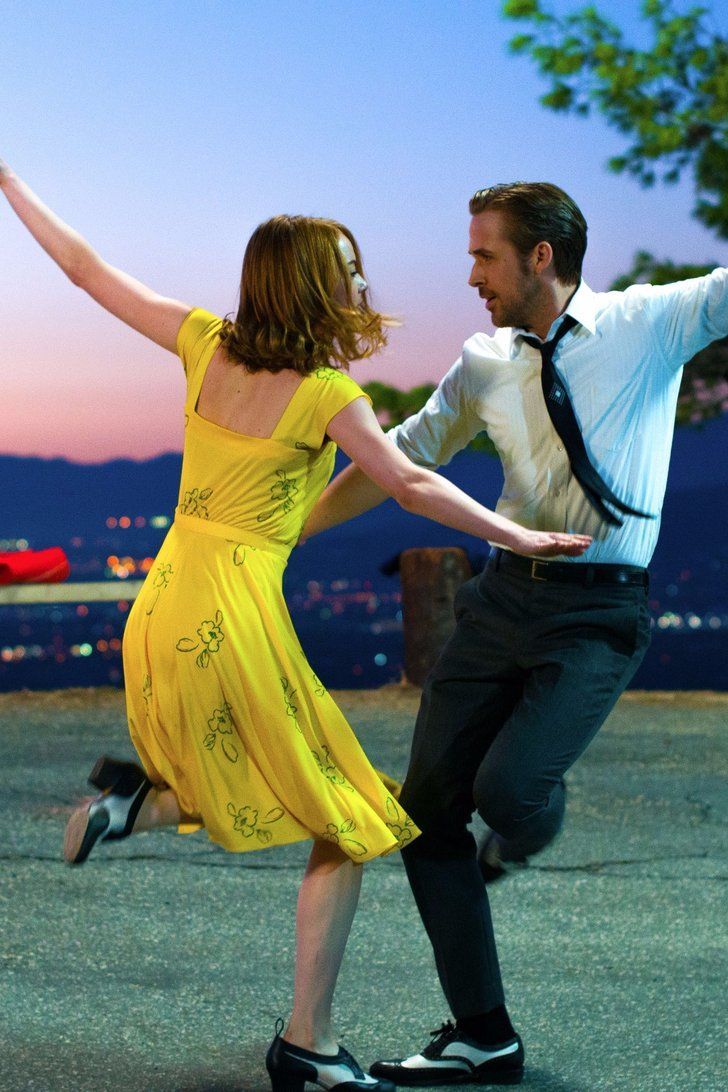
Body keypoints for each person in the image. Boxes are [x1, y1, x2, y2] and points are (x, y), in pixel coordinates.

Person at [0, 161, 591, 1092]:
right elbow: (410, 482)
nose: (364, 284)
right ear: (315, 282)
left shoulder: (202, 342)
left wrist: (9, 180)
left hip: (162, 608)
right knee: (349, 820)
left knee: (255, 777)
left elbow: (83, 269)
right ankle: (307, 1048)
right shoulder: (323, 394)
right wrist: (512, 529)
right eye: (350, 268)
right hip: (233, 613)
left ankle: (133, 807)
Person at [302, 181, 728, 1086]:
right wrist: (286, 532)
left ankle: (528, 818)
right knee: (423, 816)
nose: (471, 276)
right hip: (500, 604)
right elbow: (404, 453)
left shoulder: (650, 321)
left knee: (510, 792)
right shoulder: (485, 360)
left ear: (540, 256)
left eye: (483, 255)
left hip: (600, 611)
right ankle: (483, 1033)